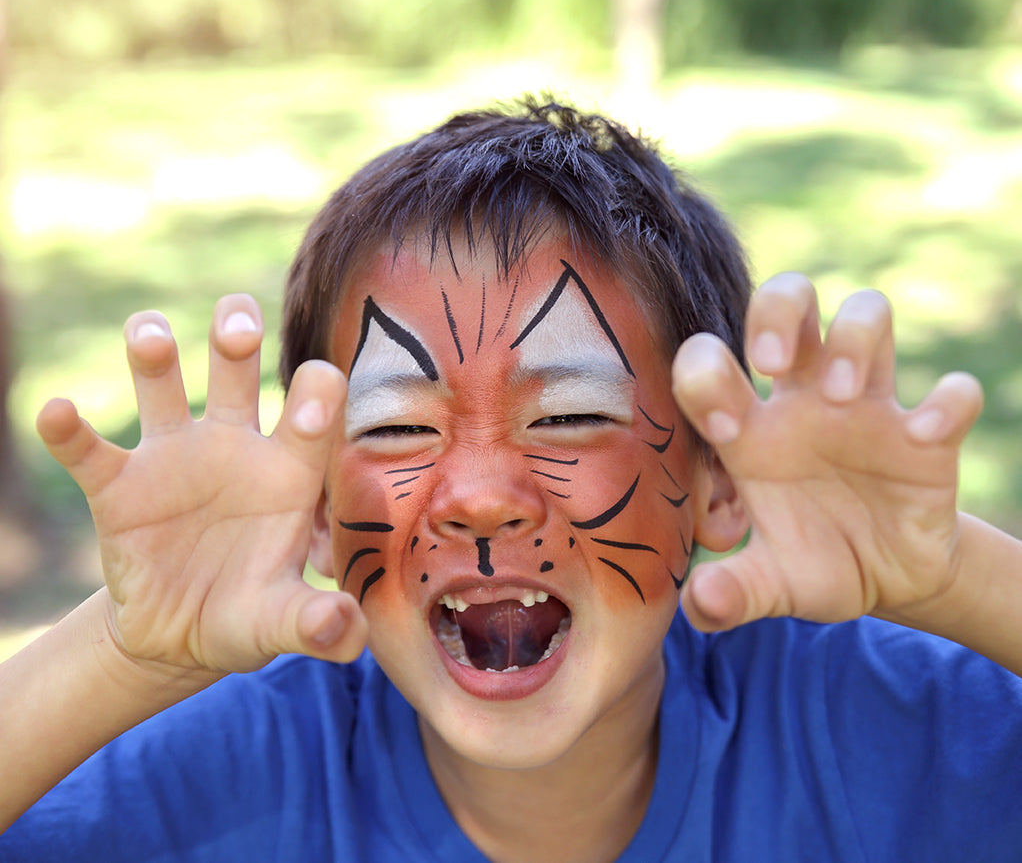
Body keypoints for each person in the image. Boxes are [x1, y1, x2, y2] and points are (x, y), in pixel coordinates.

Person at [1, 98, 1021, 862]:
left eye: (570, 414)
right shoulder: (226, 779)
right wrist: (125, 654)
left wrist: (951, 578)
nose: (480, 494)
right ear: (312, 508)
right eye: (397, 426)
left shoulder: (870, 734)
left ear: (719, 479)